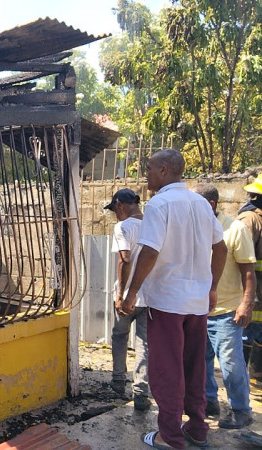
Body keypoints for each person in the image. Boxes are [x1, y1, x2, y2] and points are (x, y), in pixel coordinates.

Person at [121, 149, 227, 449]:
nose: (146, 173)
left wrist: (131, 294)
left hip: (167, 302)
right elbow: (220, 249)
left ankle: (169, 435)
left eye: (150, 168)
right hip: (196, 302)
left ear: (165, 170)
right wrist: (212, 287)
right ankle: (197, 429)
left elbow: (150, 252)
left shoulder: (159, 205)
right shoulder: (201, 203)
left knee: (166, 369)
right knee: (195, 367)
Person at [191, 183, 255, 429]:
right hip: (198, 310)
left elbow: (248, 271)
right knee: (200, 363)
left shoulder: (235, 229)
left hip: (227, 312)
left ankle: (241, 410)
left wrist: (246, 304)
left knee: (230, 365)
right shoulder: (194, 229)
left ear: (210, 205)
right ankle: (209, 403)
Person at [103, 188, 150, 410]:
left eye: (114, 210)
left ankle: (118, 383)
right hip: (150, 296)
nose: (115, 214)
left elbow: (125, 259)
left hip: (129, 295)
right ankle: (141, 392)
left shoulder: (123, 227)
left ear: (120, 204)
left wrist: (121, 294)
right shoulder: (153, 224)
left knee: (119, 336)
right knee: (144, 343)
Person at [237, 173, 262, 374]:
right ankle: (244, 380)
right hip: (253, 290)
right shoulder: (249, 219)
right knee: (248, 331)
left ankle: (256, 376)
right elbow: (241, 257)